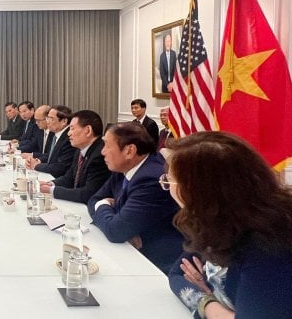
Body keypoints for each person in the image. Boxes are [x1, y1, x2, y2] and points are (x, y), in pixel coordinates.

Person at [165, 132, 292, 318]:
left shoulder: (270, 244)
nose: (167, 186)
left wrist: (211, 297)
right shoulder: (219, 222)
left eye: (170, 181)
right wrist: (209, 303)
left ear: (200, 190)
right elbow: (177, 275)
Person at [87, 122, 183, 274]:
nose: (102, 152)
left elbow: (115, 231)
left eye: (107, 146)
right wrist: (106, 208)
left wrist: (105, 208)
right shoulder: (123, 167)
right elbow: (93, 200)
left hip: (154, 265)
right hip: (129, 252)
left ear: (129, 150)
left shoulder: (151, 179)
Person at [40, 110, 110, 204]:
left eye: (72, 129)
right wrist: (50, 184)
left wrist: (51, 190)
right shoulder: (80, 149)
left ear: (88, 130)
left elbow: (88, 194)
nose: (69, 133)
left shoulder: (100, 155)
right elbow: (69, 178)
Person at [25, 105, 76, 178]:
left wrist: (36, 165)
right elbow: (51, 155)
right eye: (47, 118)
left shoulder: (69, 138)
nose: (47, 122)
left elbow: (60, 167)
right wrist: (37, 160)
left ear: (64, 121)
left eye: (51, 119)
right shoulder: (57, 134)